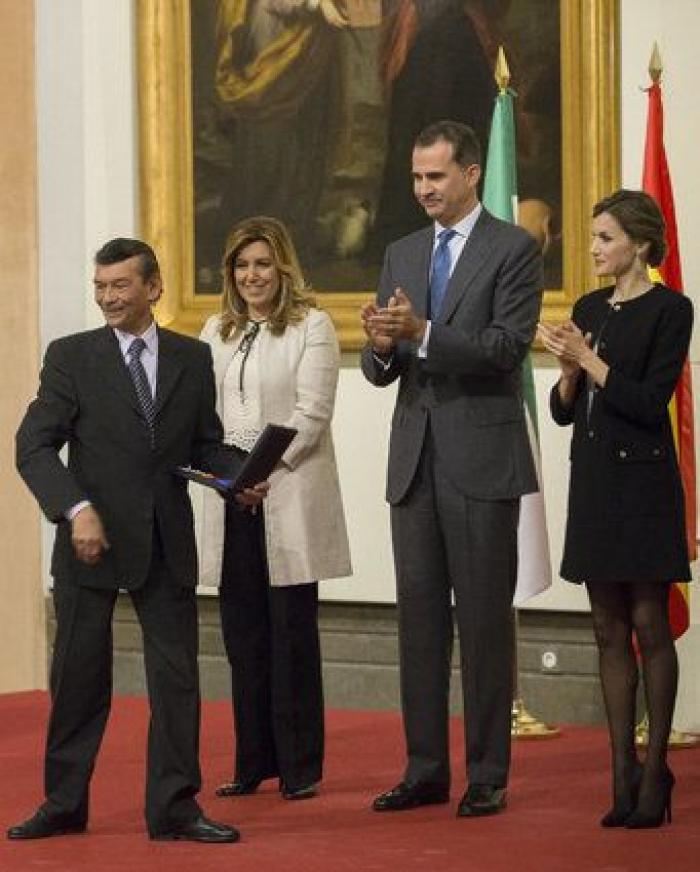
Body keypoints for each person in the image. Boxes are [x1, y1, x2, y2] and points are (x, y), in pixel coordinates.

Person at [9, 238, 266, 843]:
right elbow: (33, 446)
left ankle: (175, 808)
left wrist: (240, 477)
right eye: (100, 287)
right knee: (79, 679)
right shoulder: (71, 357)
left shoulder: (191, 358)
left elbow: (203, 443)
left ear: (153, 288)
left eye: (119, 286)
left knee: (177, 681)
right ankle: (64, 804)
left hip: (165, 541)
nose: (107, 298)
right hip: (89, 541)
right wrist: (76, 509)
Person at [361, 120, 543, 817]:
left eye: (435, 176)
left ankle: (488, 773)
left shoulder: (512, 248)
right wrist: (382, 346)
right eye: (416, 177)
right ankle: (425, 770)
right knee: (419, 624)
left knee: (485, 624)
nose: (423, 189)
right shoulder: (402, 251)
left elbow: (505, 349)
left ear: (471, 173)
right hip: (414, 460)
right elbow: (383, 369)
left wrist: (425, 333)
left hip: (482, 458)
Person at [538, 189, 693, 829]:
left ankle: (655, 771)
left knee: (649, 622)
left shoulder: (671, 309)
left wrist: (589, 360)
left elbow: (649, 403)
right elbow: (564, 411)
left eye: (605, 237)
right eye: (594, 235)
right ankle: (620, 771)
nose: (594, 248)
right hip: (596, 482)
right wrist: (568, 373)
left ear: (640, 243)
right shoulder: (588, 308)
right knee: (606, 626)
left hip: (644, 485)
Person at [197, 216, 351, 801]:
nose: (252, 275)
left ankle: (299, 767)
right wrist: (229, 477)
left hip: (285, 491)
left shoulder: (312, 326)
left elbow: (312, 414)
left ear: (283, 267)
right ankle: (252, 763)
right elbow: (205, 414)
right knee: (243, 636)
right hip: (231, 497)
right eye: (241, 265)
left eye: (262, 264)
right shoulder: (216, 329)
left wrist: (258, 473)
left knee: (290, 635)